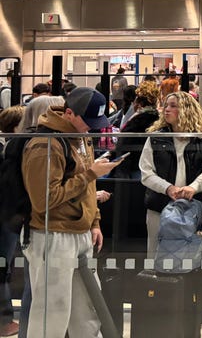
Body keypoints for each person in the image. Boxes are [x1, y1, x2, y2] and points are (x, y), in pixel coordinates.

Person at [21, 88, 121, 338]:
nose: (91, 128)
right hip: (52, 234)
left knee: (86, 311)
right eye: (87, 121)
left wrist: (94, 221)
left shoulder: (80, 137)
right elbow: (44, 200)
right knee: (51, 313)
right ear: (68, 113)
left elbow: (88, 185)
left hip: (79, 232)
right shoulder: (45, 144)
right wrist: (90, 174)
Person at [139, 91, 202, 257]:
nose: (166, 109)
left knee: (189, 254)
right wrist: (168, 188)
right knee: (155, 253)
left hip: (194, 205)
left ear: (187, 110)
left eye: (173, 106)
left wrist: (193, 187)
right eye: (166, 105)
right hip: (160, 204)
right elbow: (146, 172)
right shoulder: (155, 138)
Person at [0, 106, 24, 338]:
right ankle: (4, 320)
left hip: (8, 216)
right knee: (2, 267)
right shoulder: (8, 152)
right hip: (5, 217)